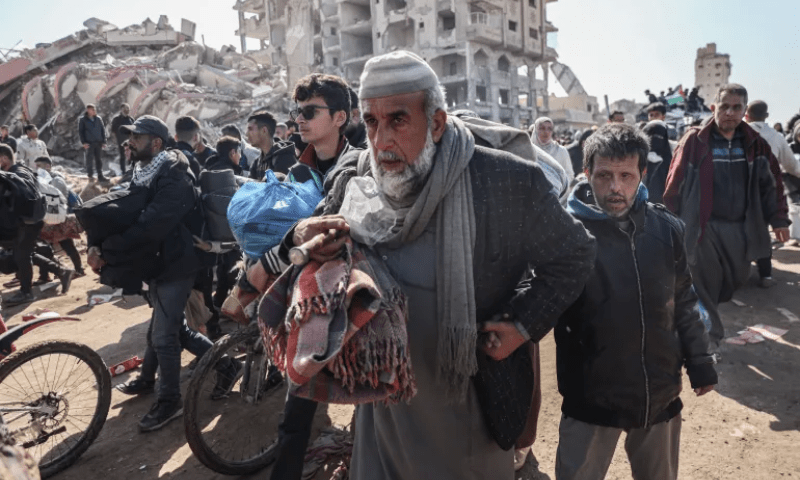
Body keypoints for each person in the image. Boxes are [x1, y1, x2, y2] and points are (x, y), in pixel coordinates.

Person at [285, 50, 596, 480]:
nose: (380, 141)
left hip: (470, 403)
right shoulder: (359, 177)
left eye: (398, 120)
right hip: (384, 409)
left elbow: (575, 253)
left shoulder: (505, 181)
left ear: (435, 122)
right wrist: (303, 235)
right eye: (372, 122)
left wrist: (522, 325)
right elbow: (312, 231)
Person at [556, 122, 717, 480]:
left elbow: (684, 300)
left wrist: (700, 361)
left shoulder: (666, 230)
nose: (615, 187)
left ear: (642, 174)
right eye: (604, 175)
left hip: (657, 393)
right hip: (590, 399)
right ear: (587, 173)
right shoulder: (565, 234)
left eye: (627, 176)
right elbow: (537, 295)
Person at [92, 116, 235, 432]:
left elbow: (151, 223)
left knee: (164, 335)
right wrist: (96, 239)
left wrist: (110, 248)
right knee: (174, 330)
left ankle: (169, 401)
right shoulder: (144, 171)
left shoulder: (174, 176)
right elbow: (119, 208)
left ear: (155, 143)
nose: (130, 143)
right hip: (159, 263)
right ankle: (226, 365)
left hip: (177, 264)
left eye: (136, 138)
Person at [267, 72, 359, 480]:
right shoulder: (297, 168)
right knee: (297, 403)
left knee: (367, 396)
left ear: (340, 117)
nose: (299, 120)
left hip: (351, 297)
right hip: (305, 299)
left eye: (309, 111)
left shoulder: (360, 165)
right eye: (297, 112)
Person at [664, 84, 789, 347]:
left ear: (745, 112)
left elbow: (773, 182)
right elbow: (674, 183)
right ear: (714, 108)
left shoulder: (756, 145)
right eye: (724, 106)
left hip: (741, 228)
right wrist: (669, 223)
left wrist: (779, 218)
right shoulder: (695, 141)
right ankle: (708, 339)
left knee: (737, 278)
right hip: (703, 227)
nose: (729, 112)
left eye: (736, 108)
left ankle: (703, 319)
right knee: (704, 282)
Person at [0, 145, 73, 306]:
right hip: (31, 219)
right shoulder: (22, 170)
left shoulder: (15, 174)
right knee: (25, 253)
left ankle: (26, 293)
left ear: (4, 158)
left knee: (22, 255)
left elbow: (19, 197)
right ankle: (62, 271)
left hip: (27, 222)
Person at [745, 100, 800, 287]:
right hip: (767, 192)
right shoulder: (776, 137)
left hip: (738, 191)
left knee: (736, 230)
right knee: (761, 231)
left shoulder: (737, 133)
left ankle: (737, 271)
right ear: (766, 116)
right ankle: (766, 274)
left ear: (746, 114)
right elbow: (792, 166)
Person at [33, 157, 85, 277]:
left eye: (39, 165)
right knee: (47, 248)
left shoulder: (56, 180)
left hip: (59, 219)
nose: (36, 168)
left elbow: (60, 200)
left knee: (67, 245)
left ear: (47, 166)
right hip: (49, 219)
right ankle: (53, 273)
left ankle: (78, 269)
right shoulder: (42, 180)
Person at [245, 111, 296, 181]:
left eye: (250, 129)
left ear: (264, 130)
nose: (246, 134)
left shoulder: (284, 158)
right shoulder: (257, 162)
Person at [641, 113, 673, 204]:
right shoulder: (636, 157)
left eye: (659, 135)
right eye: (651, 114)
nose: (655, 139)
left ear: (664, 116)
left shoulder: (672, 153)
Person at [78, 104, 107, 182]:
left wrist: (104, 141)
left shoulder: (98, 119)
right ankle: (90, 176)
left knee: (99, 160)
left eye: (94, 109)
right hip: (89, 143)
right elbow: (81, 132)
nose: (94, 111)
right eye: (92, 109)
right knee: (89, 160)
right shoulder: (83, 120)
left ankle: (100, 176)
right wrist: (83, 142)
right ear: (88, 110)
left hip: (98, 142)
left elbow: (102, 130)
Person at [110, 104, 134, 174]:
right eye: (125, 108)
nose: (127, 110)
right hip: (121, 141)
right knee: (122, 156)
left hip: (130, 141)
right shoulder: (116, 119)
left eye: (128, 109)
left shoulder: (131, 119)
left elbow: (134, 129)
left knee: (131, 156)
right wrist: (114, 139)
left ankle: (131, 171)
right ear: (121, 109)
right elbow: (113, 131)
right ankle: (123, 172)